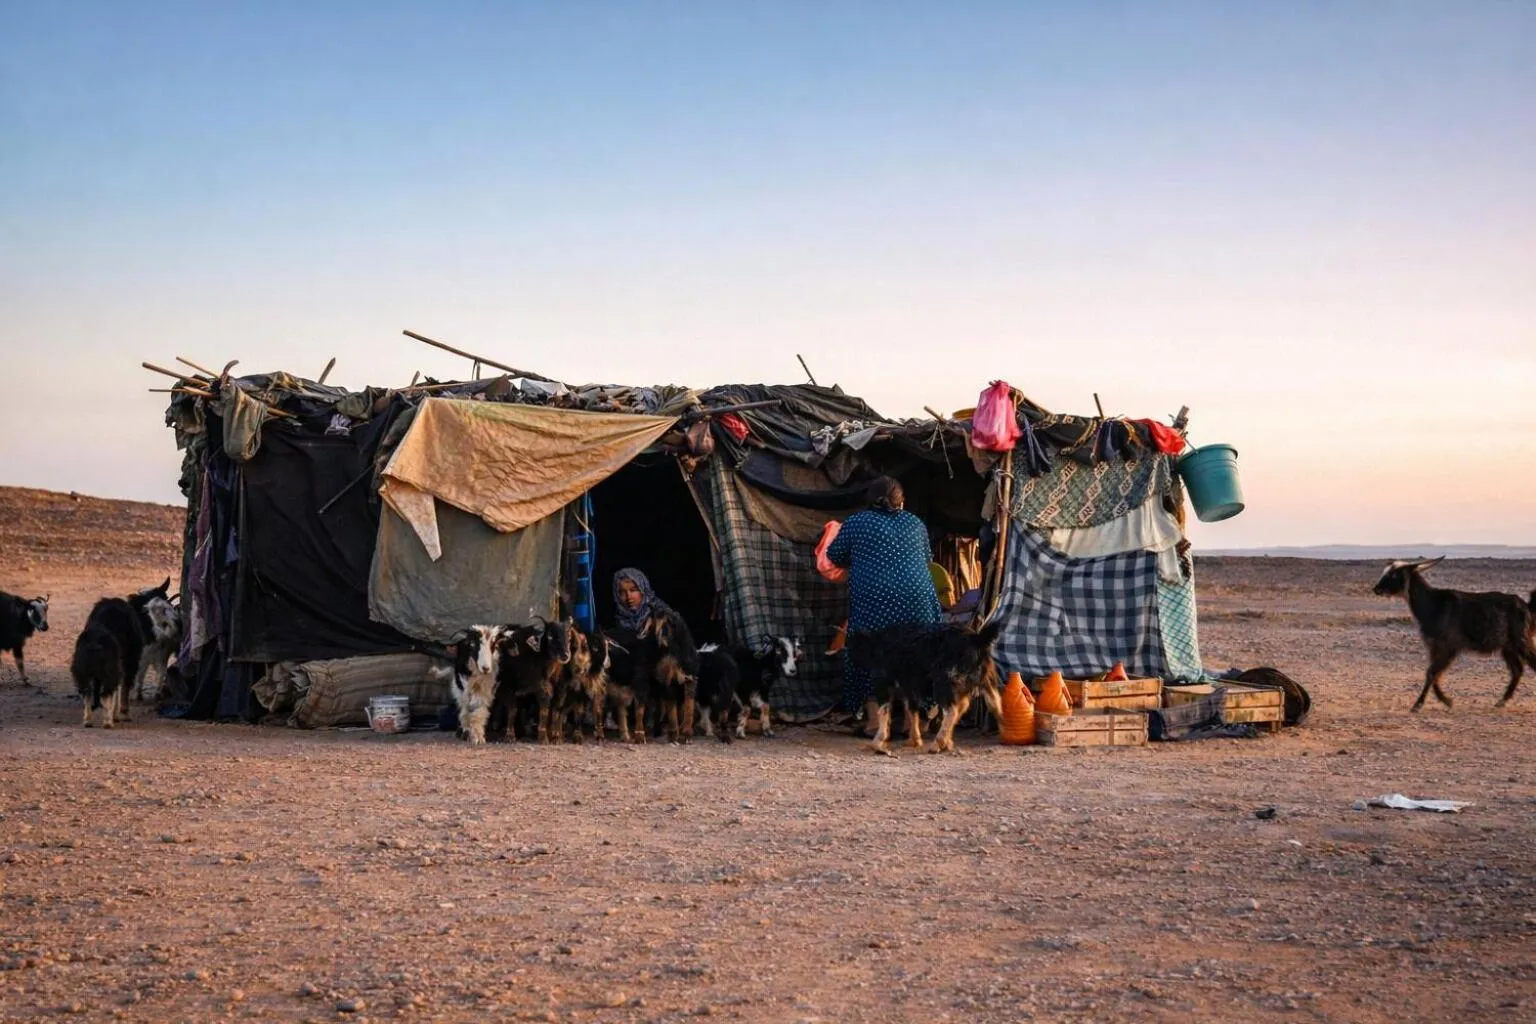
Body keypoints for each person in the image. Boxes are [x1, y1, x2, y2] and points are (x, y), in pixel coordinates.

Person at [824, 476, 942, 731]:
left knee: (870, 652)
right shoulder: (915, 523)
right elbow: (926, 558)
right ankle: (915, 724)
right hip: (916, 598)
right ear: (901, 503)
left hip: (873, 599)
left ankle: (876, 724)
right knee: (916, 655)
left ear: (869, 500)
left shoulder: (856, 523)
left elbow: (834, 555)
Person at [611, 567, 671, 633]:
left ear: (643, 590)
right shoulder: (616, 621)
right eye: (622, 592)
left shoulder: (660, 613)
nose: (628, 597)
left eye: (633, 590)